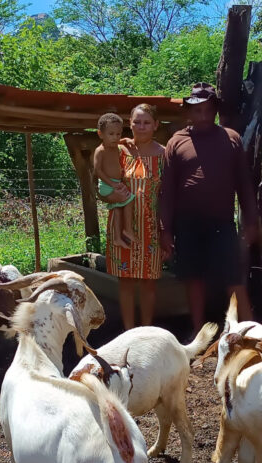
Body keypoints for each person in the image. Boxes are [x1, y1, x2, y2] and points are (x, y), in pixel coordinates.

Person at [160, 82, 259, 333]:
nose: (202, 115)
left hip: (221, 223)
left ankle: (250, 333)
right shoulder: (176, 143)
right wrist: (166, 230)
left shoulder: (230, 138)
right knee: (193, 281)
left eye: (207, 110)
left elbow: (244, 184)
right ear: (188, 113)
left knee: (233, 279)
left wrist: (251, 221)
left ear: (215, 110)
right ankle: (198, 332)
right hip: (187, 224)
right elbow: (167, 191)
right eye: (197, 110)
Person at [101, 104, 165, 329]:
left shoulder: (164, 154)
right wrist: (109, 196)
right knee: (125, 281)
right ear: (129, 123)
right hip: (121, 226)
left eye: (147, 122)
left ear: (156, 125)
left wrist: (168, 230)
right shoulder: (118, 151)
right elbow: (101, 185)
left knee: (149, 282)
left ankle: (146, 330)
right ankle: (129, 331)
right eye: (137, 121)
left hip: (152, 226)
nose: (141, 126)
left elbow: (169, 194)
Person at [94, 113, 136, 249]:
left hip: (114, 183)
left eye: (118, 134)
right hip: (107, 185)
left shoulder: (115, 146)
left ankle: (118, 237)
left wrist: (125, 140)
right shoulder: (100, 150)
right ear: (100, 134)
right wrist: (111, 184)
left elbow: (119, 141)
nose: (115, 137)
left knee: (118, 208)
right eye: (111, 134)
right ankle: (128, 229)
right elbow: (97, 171)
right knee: (129, 199)